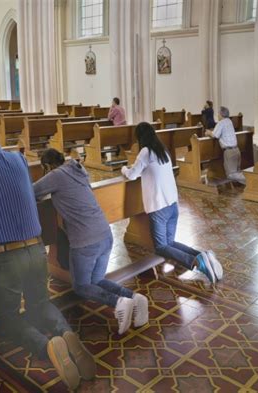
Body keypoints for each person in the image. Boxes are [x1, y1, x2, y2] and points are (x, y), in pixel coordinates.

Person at [0, 121, 95, 390]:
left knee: (8, 319)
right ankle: (67, 334)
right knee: (40, 304)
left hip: (5, 257)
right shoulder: (18, 158)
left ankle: (47, 346)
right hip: (36, 248)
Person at [33, 148, 149, 335]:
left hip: (85, 240)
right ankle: (135, 298)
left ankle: (119, 302)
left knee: (81, 286)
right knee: (96, 280)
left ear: (46, 166)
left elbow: (33, 191)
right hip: (105, 234)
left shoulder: (55, 175)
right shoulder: (78, 170)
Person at [121, 122, 223, 284]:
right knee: (170, 243)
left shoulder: (145, 152)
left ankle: (198, 262)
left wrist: (124, 169)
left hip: (159, 207)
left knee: (161, 247)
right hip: (172, 204)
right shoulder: (163, 151)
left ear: (140, 137)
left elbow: (132, 175)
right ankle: (201, 255)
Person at [205, 106, 246, 185]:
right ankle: (250, 184)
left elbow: (215, 135)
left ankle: (252, 182)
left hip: (229, 152)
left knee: (231, 175)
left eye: (218, 113)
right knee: (237, 172)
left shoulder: (221, 123)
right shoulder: (229, 121)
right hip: (236, 150)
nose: (217, 115)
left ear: (221, 114)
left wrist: (208, 132)